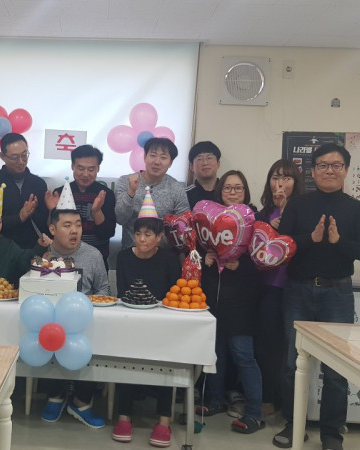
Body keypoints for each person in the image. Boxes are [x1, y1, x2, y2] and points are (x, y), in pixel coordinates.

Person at [274, 144, 360, 450]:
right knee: (292, 363)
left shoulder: (357, 209)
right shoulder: (297, 205)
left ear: (346, 170)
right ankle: (294, 425)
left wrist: (338, 241)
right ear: (313, 171)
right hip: (298, 291)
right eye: (322, 165)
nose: (329, 170)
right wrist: (311, 239)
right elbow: (282, 245)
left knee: (336, 368)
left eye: (336, 165)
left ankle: (332, 435)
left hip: (337, 293)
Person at [112, 190, 181, 448]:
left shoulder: (169, 260)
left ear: (159, 237)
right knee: (126, 361)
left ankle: (164, 421)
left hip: (162, 325)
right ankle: (124, 417)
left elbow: (174, 294)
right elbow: (122, 293)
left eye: (148, 234)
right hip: (130, 321)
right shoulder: (123, 257)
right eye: (139, 233)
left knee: (167, 364)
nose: (142, 238)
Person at [197, 170, 264, 434]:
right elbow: (196, 248)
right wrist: (205, 257)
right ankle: (214, 400)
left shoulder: (255, 220)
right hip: (213, 298)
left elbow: (265, 260)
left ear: (245, 191)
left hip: (242, 303)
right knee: (215, 354)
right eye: (228, 187)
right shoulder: (208, 219)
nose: (233, 192)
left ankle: (255, 413)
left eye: (238, 188)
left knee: (243, 356)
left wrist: (242, 264)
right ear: (220, 190)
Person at [40, 185, 111, 429]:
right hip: (51, 322)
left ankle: (82, 401)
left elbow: (103, 290)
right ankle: (54, 396)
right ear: (53, 229)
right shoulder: (42, 255)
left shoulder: (93, 255)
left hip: (84, 321)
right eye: (67, 225)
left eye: (78, 225)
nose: (74, 231)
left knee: (91, 335)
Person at [254, 159, 304, 417]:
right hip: (268, 288)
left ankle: (292, 406)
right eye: (275, 177)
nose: (280, 183)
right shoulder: (262, 215)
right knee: (268, 344)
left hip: (296, 287)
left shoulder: (304, 213)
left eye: (286, 178)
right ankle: (268, 398)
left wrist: (286, 217)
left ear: (296, 182)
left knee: (293, 349)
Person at [46, 145, 116, 270]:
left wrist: (97, 211)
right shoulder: (60, 193)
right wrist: (52, 211)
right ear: (72, 166)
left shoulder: (105, 194)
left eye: (91, 169)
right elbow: (50, 232)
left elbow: (108, 233)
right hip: (62, 262)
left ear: (98, 168)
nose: (85, 174)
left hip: (96, 261)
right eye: (80, 168)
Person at [0, 132, 48, 249]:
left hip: (32, 249)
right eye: (14, 157)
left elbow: (44, 224)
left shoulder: (38, 184)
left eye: (24, 155)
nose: (21, 161)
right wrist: (19, 217)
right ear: (2, 156)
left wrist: (50, 210)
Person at [115, 137, 189, 250]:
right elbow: (120, 219)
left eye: (163, 157)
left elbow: (183, 227)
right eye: (153, 155)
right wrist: (131, 192)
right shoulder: (126, 181)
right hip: (131, 252)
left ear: (170, 163)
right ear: (145, 157)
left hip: (164, 254)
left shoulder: (177, 188)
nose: (157, 162)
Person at [185, 141, 222, 209]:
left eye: (209, 158)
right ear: (191, 167)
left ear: (218, 164)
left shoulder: (227, 192)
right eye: (199, 159)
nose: (205, 163)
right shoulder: (185, 194)